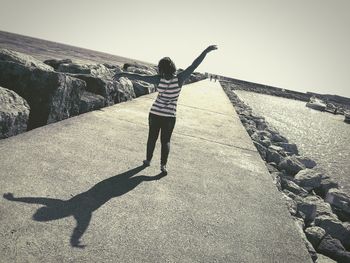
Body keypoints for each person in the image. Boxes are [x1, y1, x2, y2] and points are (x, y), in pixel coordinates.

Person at [113, 45, 218, 174]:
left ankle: (148, 160)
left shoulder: (158, 79)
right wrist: (206, 51)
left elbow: (138, 77)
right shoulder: (180, 78)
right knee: (166, 141)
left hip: (155, 113)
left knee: (152, 138)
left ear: (161, 68)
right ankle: (163, 166)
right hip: (169, 116)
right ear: (173, 67)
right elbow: (194, 65)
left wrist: (123, 73)